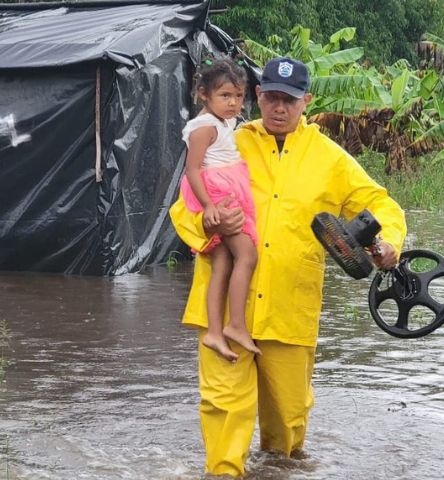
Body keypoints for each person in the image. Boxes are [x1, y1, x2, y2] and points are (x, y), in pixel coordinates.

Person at [169, 56, 406, 477]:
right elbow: (184, 202)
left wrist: (387, 244)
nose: (279, 108)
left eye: (290, 100)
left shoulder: (329, 159)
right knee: (224, 406)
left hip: (289, 310)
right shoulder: (228, 140)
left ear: (306, 102)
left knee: (287, 426)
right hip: (223, 310)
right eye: (271, 98)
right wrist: (208, 223)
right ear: (257, 96)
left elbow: (379, 204)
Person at [180, 57, 262, 362]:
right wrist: (209, 206)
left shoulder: (223, 122)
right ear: (204, 94)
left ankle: (215, 331)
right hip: (214, 191)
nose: (233, 104)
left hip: (224, 187)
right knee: (247, 254)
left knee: (224, 262)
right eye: (225, 96)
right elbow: (192, 170)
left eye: (239, 96)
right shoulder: (203, 127)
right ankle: (236, 324)